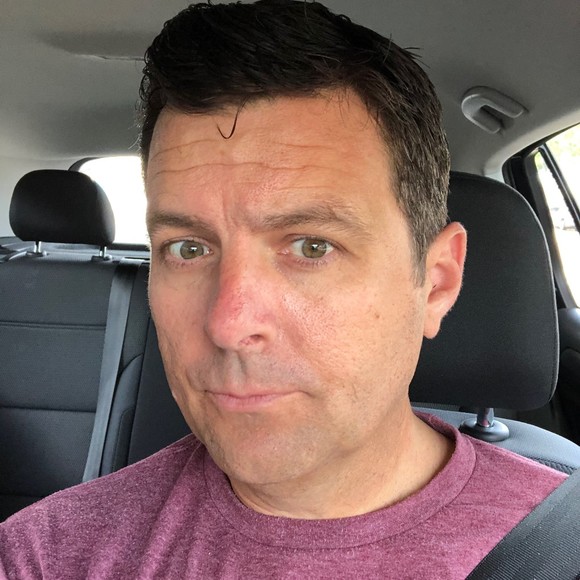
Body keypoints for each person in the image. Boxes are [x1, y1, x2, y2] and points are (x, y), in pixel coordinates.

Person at [0, 1, 565, 577]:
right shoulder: (43, 556)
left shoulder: (561, 547)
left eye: (312, 246)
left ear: (437, 283)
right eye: (188, 249)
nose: (227, 324)